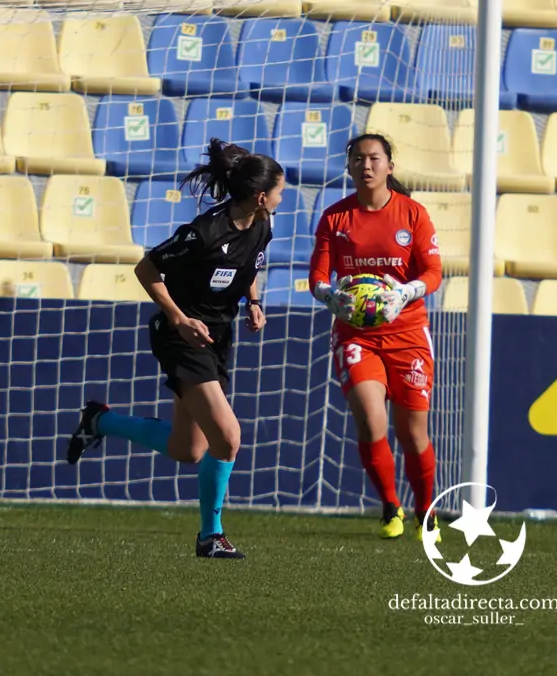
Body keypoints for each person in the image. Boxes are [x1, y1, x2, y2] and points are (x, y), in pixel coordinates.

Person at [65, 138, 284, 559]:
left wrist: (253, 302)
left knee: (190, 450)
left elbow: (250, 265)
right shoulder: (205, 231)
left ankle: (100, 422)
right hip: (180, 336)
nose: (282, 196)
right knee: (229, 437)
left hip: (218, 336)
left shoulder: (262, 224)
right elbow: (146, 267)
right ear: (261, 196)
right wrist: (180, 319)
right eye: (279, 190)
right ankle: (210, 536)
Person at [308, 133, 443, 542]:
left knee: (413, 432)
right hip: (355, 335)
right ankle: (389, 506)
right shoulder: (334, 218)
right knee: (370, 420)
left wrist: (405, 292)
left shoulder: (413, 215)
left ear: (390, 166)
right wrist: (330, 296)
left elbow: (433, 273)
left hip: (408, 334)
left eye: (374, 158)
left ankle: (426, 512)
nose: (366, 166)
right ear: (348, 167)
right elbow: (317, 276)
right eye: (358, 160)